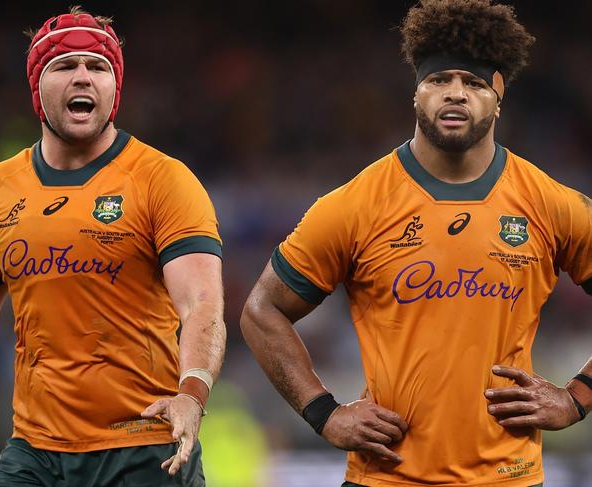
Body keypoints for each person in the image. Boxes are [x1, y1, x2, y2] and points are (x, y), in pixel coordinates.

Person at [240, 1, 591, 486]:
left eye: (473, 83)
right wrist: (324, 412)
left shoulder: (551, 204)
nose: (455, 94)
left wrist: (577, 398)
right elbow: (262, 311)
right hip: (385, 477)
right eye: (439, 80)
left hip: (509, 477)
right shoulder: (355, 204)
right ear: (416, 93)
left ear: (498, 95)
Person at [0, 7, 225, 486]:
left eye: (98, 68)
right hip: (35, 451)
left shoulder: (162, 179)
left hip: (143, 444)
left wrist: (192, 394)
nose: (83, 78)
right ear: (37, 87)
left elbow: (201, 303)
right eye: (64, 66)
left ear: (115, 88)